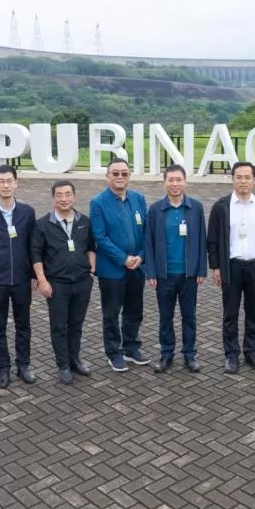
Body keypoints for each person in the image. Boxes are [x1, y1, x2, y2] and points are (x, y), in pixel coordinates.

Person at [207, 161, 255, 374]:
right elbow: (213, 239)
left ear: (254, 180)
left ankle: (251, 351)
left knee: (253, 312)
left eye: (248, 177)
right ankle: (231, 355)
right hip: (232, 266)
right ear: (233, 179)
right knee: (230, 313)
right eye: (239, 177)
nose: (243, 181)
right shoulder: (221, 206)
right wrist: (216, 266)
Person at [31, 180, 96, 385]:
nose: (64, 199)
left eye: (68, 194)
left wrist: (91, 271)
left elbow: (90, 247)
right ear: (53, 198)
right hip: (57, 284)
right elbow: (36, 254)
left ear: (74, 197)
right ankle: (63, 365)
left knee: (76, 324)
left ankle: (75, 360)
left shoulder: (83, 221)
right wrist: (42, 280)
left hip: (81, 282)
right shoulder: (42, 224)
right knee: (59, 326)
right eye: (59, 195)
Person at [0, 164, 36, 389]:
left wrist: (33, 274)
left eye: (9, 180)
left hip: (21, 279)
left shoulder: (27, 212)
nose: (5, 185)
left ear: (16, 183)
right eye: (1, 181)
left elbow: (33, 246)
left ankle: (24, 366)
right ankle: (3, 368)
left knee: (23, 325)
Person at [144, 164, 207, 373]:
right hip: (164, 275)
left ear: (185, 182)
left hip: (189, 275)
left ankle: (190, 355)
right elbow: (148, 243)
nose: (175, 184)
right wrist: (151, 272)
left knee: (189, 316)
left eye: (178, 179)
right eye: (170, 180)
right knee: (166, 317)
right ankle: (166, 354)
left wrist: (201, 269)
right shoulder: (155, 210)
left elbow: (201, 240)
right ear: (164, 183)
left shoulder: (196, 207)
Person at [90, 158, 149, 372]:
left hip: (137, 267)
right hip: (112, 269)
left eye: (124, 173)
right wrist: (123, 258)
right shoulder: (98, 203)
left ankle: (132, 347)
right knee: (111, 313)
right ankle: (114, 352)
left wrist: (141, 257)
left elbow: (146, 233)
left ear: (129, 176)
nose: (120, 177)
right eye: (115, 173)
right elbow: (100, 237)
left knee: (135, 310)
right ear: (108, 176)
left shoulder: (139, 199)